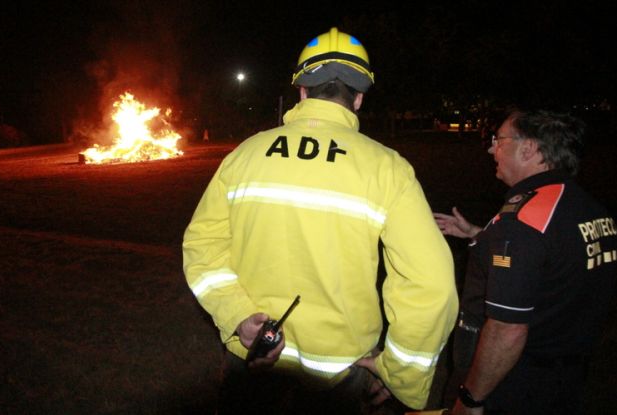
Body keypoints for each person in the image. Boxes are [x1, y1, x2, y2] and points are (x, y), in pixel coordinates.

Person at [183, 27, 458, 414]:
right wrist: (401, 373)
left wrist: (237, 315)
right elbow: (431, 285)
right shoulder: (387, 169)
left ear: (301, 91)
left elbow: (201, 247)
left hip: (253, 357)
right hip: (338, 375)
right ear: (359, 99)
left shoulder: (245, 155)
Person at [434, 110, 617, 415]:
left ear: (529, 148)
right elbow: (550, 260)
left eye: (500, 140)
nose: (492, 149)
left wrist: (470, 400)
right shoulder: (587, 207)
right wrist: (478, 235)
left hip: (514, 383)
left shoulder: (523, 220)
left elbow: (507, 328)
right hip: (566, 376)